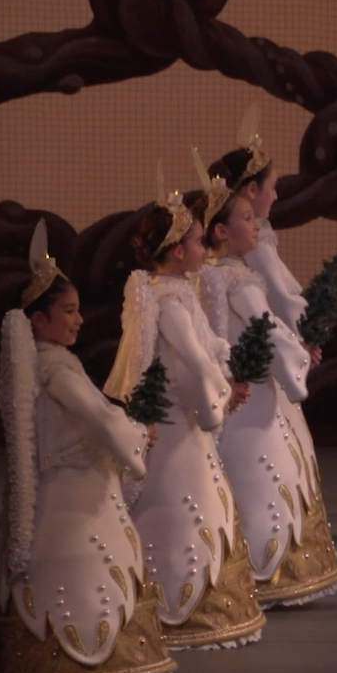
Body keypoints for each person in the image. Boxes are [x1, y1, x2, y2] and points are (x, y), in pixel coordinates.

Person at [0, 222, 177, 673]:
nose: (78, 320)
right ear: (38, 322)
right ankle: (86, 660)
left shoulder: (51, 365)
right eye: (67, 311)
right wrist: (136, 437)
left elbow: (103, 413)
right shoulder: (56, 370)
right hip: (75, 495)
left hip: (72, 486)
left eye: (78, 310)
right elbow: (102, 421)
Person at [105, 178, 265, 648]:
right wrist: (219, 402)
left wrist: (223, 370)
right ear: (177, 251)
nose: (202, 248)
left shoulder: (167, 290)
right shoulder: (170, 300)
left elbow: (209, 346)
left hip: (181, 420)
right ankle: (180, 604)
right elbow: (193, 362)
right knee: (182, 509)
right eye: (197, 241)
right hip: (180, 428)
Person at [196, 151, 337, 606]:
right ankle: (264, 569)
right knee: (265, 471)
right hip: (255, 395)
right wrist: (300, 354)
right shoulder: (237, 279)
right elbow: (269, 327)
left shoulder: (212, 274)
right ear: (223, 229)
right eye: (246, 214)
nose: (258, 220)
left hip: (242, 389)